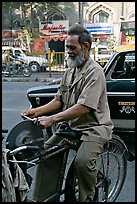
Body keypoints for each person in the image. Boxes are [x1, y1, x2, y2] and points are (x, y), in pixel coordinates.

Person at [21, 23, 113, 202]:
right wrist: (36, 112)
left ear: (85, 47)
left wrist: (52, 119)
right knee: (46, 153)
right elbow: (58, 100)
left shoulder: (95, 72)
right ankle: (44, 198)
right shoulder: (70, 71)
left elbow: (84, 107)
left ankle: (87, 197)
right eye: (67, 47)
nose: (68, 51)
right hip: (72, 125)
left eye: (72, 47)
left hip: (94, 128)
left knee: (82, 162)